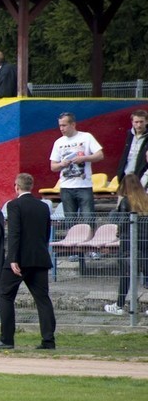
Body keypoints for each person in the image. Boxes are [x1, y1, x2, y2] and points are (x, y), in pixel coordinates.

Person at [0, 173, 56, 350]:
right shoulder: (43, 206)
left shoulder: (14, 205)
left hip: (19, 260)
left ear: (16, 187)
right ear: (31, 186)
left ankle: (7, 339)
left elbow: (14, 233)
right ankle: (48, 340)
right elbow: (46, 232)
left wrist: (13, 258)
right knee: (43, 300)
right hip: (40, 258)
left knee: (5, 295)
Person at [104, 174, 148, 315]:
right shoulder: (146, 200)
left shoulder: (125, 202)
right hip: (145, 242)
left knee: (126, 274)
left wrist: (119, 231)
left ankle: (119, 305)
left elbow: (123, 222)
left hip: (129, 242)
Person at [48, 112, 104, 221]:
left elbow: (100, 155)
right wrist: (62, 164)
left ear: (73, 125)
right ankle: (73, 237)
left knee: (88, 218)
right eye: (60, 125)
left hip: (84, 185)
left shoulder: (86, 137)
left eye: (64, 125)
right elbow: (53, 167)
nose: (61, 128)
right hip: (66, 186)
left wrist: (84, 158)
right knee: (70, 220)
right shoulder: (58, 142)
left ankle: (89, 236)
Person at [114, 109, 148, 186]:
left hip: (142, 178)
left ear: (146, 121)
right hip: (125, 177)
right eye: (136, 122)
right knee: (122, 198)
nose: (139, 125)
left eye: (141, 122)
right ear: (132, 122)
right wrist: (120, 174)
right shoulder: (129, 135)